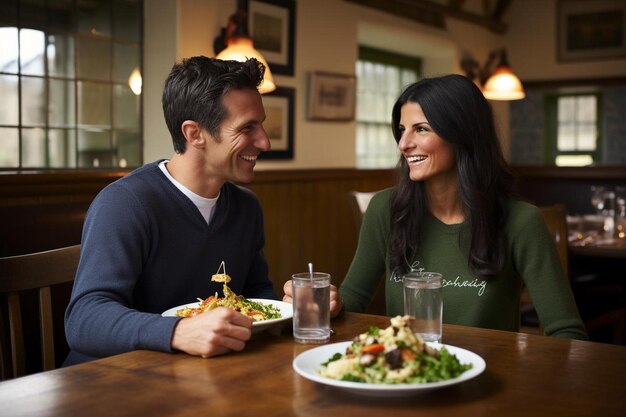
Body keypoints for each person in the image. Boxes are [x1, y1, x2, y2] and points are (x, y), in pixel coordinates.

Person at [64, 56, 278, 365]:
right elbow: (85, 319)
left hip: (198, 377)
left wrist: (294, 307)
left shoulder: (247, 207)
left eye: (262, 125)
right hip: (104, 386)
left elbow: (256, 293)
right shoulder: (125, 204)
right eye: (247, 128)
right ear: (194, 134)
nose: (264, 142)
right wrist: (178, 332)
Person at [338, 74, 587, 340]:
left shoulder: (521, 221)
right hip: (407, 377)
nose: (403, 144)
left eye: (421, 129)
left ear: (462, 134)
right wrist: (325, 303)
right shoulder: (384, 209)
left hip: (492, 379)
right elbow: (351, 300)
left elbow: (567, 332)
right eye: (402, 130)